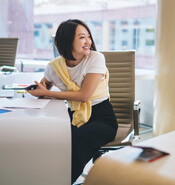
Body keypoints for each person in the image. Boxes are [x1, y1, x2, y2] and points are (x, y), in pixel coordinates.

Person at [27, 19, 118, 183]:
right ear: (67, 41)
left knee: (74, 139)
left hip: (102, 118)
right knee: (49, 136)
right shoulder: (55, 66)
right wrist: (39, 91)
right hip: (74, 116)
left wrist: (48, 92)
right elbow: (44, 86)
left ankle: (60, 180)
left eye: (88, 36)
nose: (88, 41)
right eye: (82, 37)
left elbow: (84, 96)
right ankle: (41, 177)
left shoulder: (96, 59)